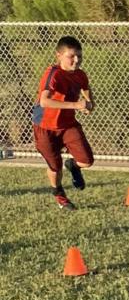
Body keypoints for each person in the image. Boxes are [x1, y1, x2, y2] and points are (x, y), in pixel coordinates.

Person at [33, 35, 95, 211]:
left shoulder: (80, 74)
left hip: (68, 125)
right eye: (71, 56)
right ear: (58, 55)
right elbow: (44, 101)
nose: (76, 60)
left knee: (87, 161)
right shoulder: (53, 74)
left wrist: (89, 104)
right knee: (55, 167)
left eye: (79, 57)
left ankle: (73, 166)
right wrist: (76, 105)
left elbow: (86, 90)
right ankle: (60, 196)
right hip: (45, 127)